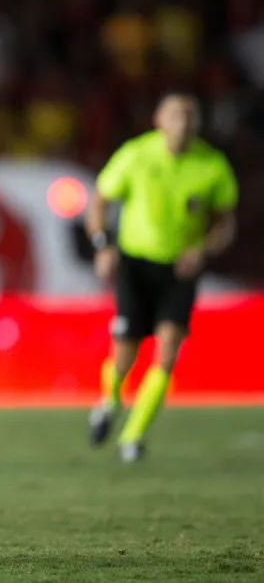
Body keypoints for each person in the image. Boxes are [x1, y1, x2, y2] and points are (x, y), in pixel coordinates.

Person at [85, 92, 238, 462]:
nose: (182, 123)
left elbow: (224, 221)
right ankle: (109, 401)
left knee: (167, 352)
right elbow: (100, 200)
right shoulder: (136, 155)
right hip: (136, 265)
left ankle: (132, 437)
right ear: (159, 120)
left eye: (189, 116)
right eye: (175, 115)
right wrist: (103, 244)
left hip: (179, 270)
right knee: (125, 354)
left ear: (197, 124)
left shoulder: (212, 165)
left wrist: (204, 249)